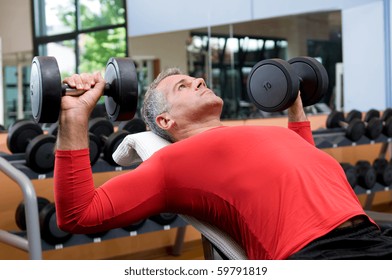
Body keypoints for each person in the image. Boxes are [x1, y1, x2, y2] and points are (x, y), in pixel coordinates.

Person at [54, 68, 392, 260]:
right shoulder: (172, 163)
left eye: (194, 78)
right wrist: (74, 118)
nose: (200, 81)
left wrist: (294, 105)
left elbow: (305, 164)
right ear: (165, 120)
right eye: (182, 86)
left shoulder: (264, 134)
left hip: (373, 235)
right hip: (324, 256)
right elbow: (78, 214)